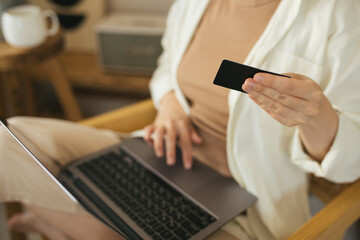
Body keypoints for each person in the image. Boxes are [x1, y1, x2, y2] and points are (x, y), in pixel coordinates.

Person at [1, 0, 360, 239]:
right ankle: (57, 221)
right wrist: (170, 103)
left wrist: (317, 117)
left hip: (245, 197)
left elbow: (350, 165)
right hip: (159, 154)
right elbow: (166, 68)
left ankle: (52, 223)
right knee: (15, 138)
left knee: (78, 209)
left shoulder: (342, 14)